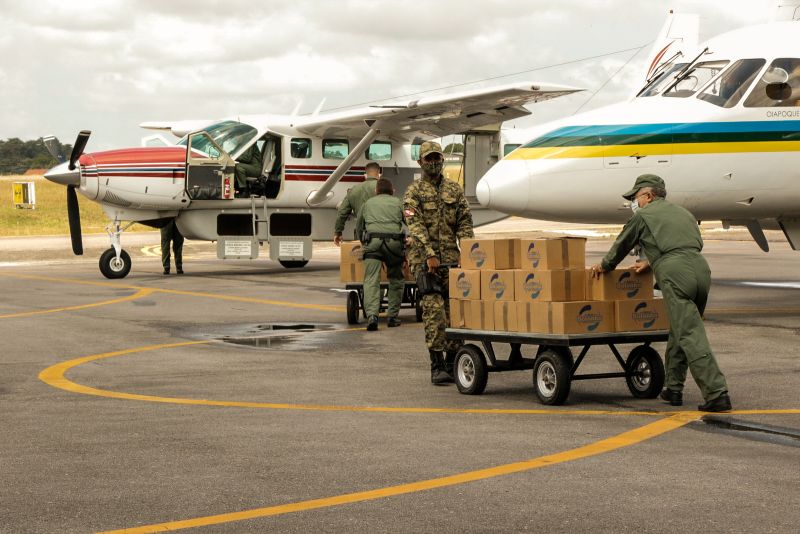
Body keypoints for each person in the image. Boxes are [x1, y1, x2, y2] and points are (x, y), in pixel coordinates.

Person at [590, 174, 731, 412]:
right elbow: (681, 245)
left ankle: (717, 393)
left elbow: (622, 244)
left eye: (636, 197)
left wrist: (604, 266)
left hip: (676, 275)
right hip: (700, 270)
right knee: (679, 330)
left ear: (648, 195)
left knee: (690, 335)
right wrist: (651, 263)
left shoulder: (643, 216)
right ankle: (673, 388)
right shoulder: (684, 213)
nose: (634, 203)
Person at [404, 141, 474, 385]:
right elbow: (415, 226)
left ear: (442, 160)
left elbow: (465, 222)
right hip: (427, 263)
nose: (433, 163)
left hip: (453, 262)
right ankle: (437, 365)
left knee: (455, 313)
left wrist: (467, 250)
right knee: (434, 313)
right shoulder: (413, 192)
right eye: (428, 159)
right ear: (420, 162)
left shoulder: (454, 191)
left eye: (437, 158)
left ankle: (453, 361)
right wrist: (430, 254)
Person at [355, 178, 405, 331]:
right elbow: (410, 222)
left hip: (373, 243)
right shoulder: (399, 203)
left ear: (376, 191)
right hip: (394, 245)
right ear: (392, 191)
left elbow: (359, 227)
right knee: (396, 278)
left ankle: (372, 316)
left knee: (371, 280)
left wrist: (364, 244)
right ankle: (392, 317)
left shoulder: (367, 204)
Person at [333, 162, 382, 245]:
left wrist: (338, 232)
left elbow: (342, 212)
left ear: (365, 175)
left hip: (361, 233)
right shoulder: (383, 188)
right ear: (379, 174)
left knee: (361, 256)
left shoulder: (353, 190)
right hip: (381, 232)